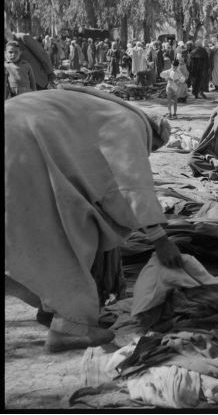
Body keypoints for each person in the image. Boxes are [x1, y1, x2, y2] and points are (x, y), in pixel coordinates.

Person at [5, 86, 183, 352]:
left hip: (16, 131)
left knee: (23, 227)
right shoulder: (129, 124)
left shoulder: (103, 109)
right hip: (23, 145)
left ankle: (48, 305)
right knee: (64, 236)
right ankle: (69, 327)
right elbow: (131, 187)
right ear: (153, 137)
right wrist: (160, 240)